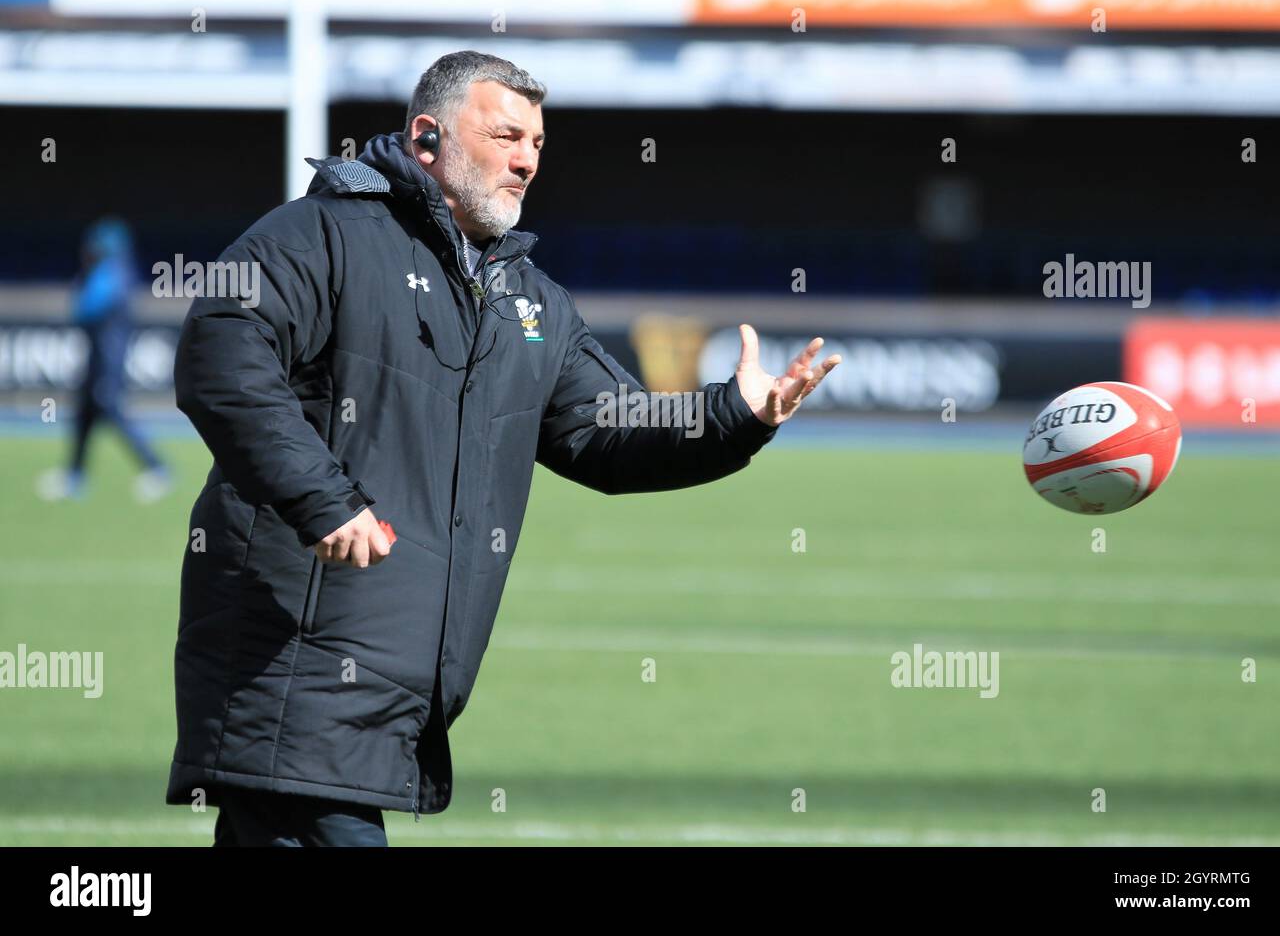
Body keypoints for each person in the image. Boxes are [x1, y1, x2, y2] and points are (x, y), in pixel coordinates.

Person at [166, 50, 840, 846]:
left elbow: (607, 429)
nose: (526, 160)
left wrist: (735, 414)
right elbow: (222, 353)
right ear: (427, 137)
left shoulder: (528, 298)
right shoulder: (324, 234)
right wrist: (323, 499)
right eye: (506, 135)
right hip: (295, 670)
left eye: (538, 144)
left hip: (386, 695)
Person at [36, 218, 170, 503]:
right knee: (84, 416)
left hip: (107, 361)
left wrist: (80, 285)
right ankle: (74, 476)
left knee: (112, 410)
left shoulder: (110, 274)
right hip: (97, 360)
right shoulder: (114, 272)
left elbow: (84, 310)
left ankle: (157, 469)